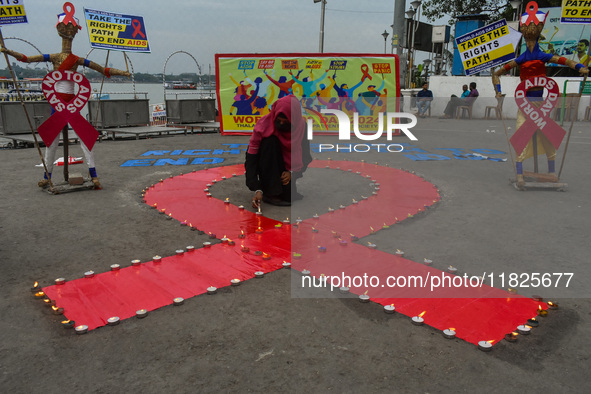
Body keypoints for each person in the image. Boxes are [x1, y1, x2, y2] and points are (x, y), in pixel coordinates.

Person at [1, 3, 130, 189]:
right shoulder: (54, 57)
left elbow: (103, 69)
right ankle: (47, 175)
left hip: (73, 104)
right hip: (57, 104)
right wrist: (8, 51)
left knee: (85, 138)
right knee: (51, 141)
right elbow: (27, 59)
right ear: (61, 31)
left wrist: (124, 73)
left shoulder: (77, 60)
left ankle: (93, 173)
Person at [492, 2, 588, 186]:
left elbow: (565, 60)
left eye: (533, 27)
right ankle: (520, 174)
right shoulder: (520, 59)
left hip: (542, 105)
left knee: (548, 136)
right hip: (525, 104)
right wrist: (498, 91)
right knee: (522, 135)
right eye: (526, 27)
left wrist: (581, 67)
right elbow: (497, 73)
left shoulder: (543, 56)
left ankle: (551, 171)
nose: (529, 32)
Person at [245, 95, 312, 207]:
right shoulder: (263, 125)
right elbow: (251, 157)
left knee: (288, 197)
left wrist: (292, 173)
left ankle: (279, 189)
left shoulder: (303, 128)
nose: (281, 125)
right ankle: (269, 191)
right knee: (270, 141)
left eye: (285, 122)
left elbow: (306, 156)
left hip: (287, 169)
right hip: (268, 168)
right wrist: (257, 189)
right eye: (278, 121)